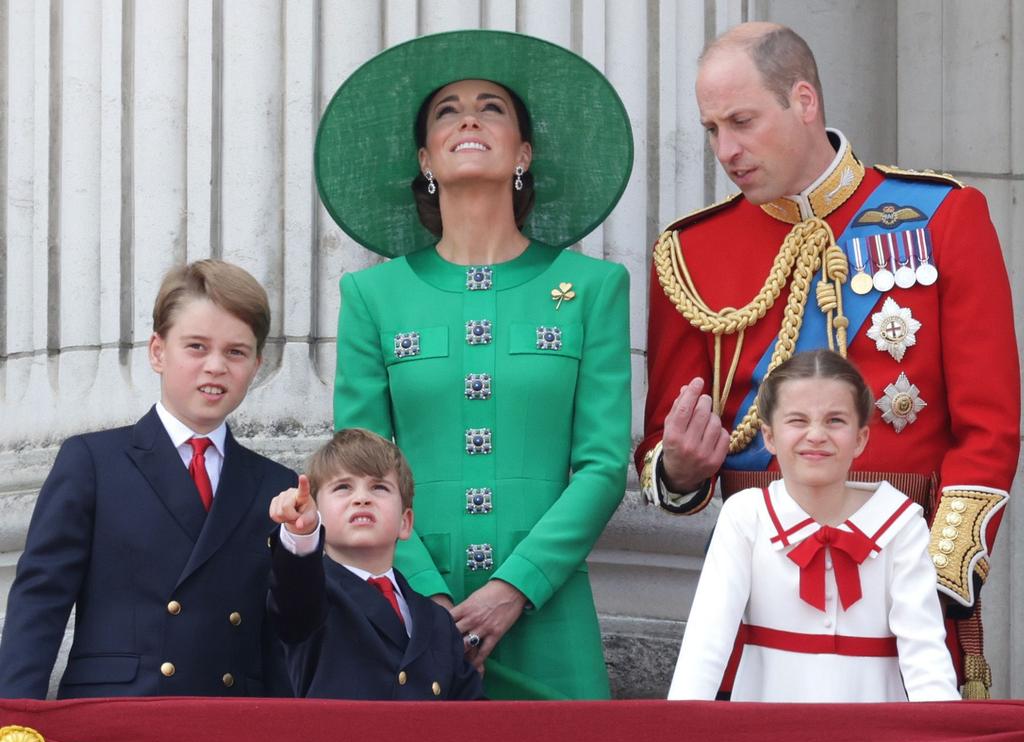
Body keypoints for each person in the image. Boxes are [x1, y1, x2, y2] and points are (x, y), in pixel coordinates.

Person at [637, 22, 1019, 697]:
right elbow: (664, 449)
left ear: (804, 101)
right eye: (712, 129)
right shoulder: (691, 253)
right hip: (759, 575)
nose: (726, 149)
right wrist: (677, 467)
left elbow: (989, 428)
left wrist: (938, 575)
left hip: (910, 562)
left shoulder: (942, 217)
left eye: (743, 122)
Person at [315, 30, 634, 699]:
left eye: (492, 107)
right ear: (425, 158)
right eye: (446, 111)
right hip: (409, 611)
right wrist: (427, 598)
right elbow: (359, 467)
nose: (468, 116)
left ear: (523, 153)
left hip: (549, 610)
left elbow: (603, 464)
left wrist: (515, 587)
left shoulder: (593, 288)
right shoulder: (372, 296)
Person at [0, 260, 297, 699]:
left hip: (231, 721)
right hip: (117, 716)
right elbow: (40, 602)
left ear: (256, 364)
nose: (216, 366)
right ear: (158, 351)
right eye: (196, 346)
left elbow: (283, 634)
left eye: (235, 352)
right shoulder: (93, 462)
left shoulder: (275, 483)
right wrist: (13, 724)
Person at [668, 350, 959, 702]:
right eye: (797, 420)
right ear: (769, 436)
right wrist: (679, 734)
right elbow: (706, 641)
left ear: (861, 438)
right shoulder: (746, 516)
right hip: (767, 735)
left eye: (835, 420)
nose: (816, 435)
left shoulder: (901, 523)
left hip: (876, 740)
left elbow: (925, 654)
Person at [266, 428, 484, 700]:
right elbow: (292, 594)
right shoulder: (314, 595)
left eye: (379, 487)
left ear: (405, 523)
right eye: (343, 487)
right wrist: (301, 533)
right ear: (317, 515)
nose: (361, 498)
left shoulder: (437, 619)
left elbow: (471, 715)